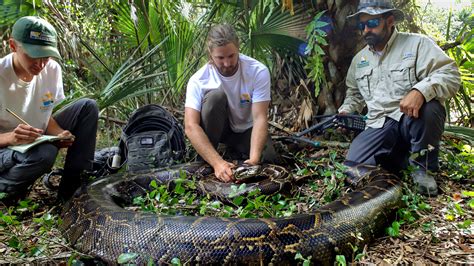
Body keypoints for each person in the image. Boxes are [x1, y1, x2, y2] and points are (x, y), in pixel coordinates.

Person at [339, 0, 461, 196]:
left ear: (389, 21)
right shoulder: (359, 60)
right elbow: (354, 94)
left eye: (371, 24)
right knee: (351, 168)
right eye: (362, 25)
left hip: (409, 119)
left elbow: (450, 74)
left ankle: (423, 169)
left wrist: (421, 91)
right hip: (378, 124)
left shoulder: (417, 43)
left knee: (430, 108)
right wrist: (346, 110)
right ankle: (399, 162)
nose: (366, 30)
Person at [0, 16, 98, 203]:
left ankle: (73, 192)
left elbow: (45, 115)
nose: (40, 64)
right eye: (33, 55)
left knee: (88, 107)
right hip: (5, 149)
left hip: (34, 138)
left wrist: (60, 134)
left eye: (46, 56)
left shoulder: (52, 70)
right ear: (13, 46)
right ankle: (6, 190)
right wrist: (10, 138)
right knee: (45, 153)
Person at [184, 24, 278, 183]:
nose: (227, 63)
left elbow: (260, 118)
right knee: (215, 97)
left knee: (269, 160)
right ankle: (211, 155)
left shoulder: (257, 71)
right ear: (210, 54)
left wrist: (254, 161)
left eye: (231, 56)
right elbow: (191, 126)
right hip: (220, 131)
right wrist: (217, 163)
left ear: (238, 48)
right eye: (220, 58)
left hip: (246, 129)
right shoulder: (198, 80)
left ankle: (235, 152)